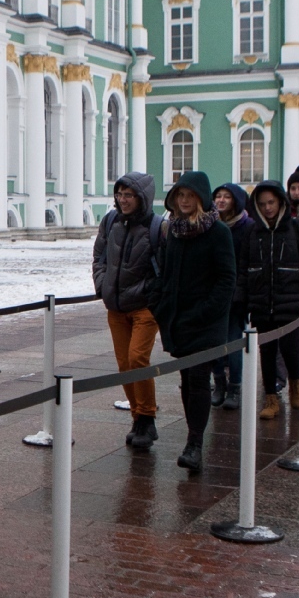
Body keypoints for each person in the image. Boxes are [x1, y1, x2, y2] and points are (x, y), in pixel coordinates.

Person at [147, 171, 237, 472]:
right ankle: (194, 435)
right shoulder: (173, 230)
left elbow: (226, 281)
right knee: (187, 381)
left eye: (190, 196)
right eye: (180, 196)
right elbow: (166, 272)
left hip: (205, 322)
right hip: (177, 319)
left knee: (198, 379)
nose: (184, 201)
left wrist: (205, 313)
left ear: (201, 198)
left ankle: (195, 443)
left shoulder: (218, 232)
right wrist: (160, 306)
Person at [236, 181, 299, 421]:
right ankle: (271, 397)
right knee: (266, 351)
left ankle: (295, 383)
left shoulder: (296, 229)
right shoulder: (254, 233)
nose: (267, 208)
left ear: (281, 202)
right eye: (262, 204)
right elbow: (243, 268)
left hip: (290, 300)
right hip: (262, 301)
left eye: (271, 202)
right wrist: (241, 299)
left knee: (291, 349)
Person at [93, 173, 162, 449]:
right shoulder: (110, 222)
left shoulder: (156, 227)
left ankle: (147, 417)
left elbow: (163, 267)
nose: (123, 200)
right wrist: (102, 284)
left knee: (137, 359)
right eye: (120, 194)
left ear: (141, 197)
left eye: (129, 195)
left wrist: (152, 293)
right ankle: (138, 417)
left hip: (144, 307)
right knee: (124, 365)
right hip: (116, 306)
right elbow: (99, 256)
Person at [209, 183, 252, 411]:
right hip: (212, 292)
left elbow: (246, 262)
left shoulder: (246, 226)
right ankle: (219, 383)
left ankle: (235, 386)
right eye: (218, 196)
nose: (221, 200)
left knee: (233, 340)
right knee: (214, 340)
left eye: (227, 197)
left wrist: (240, 292)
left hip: (235, 294)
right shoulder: (210, 224)